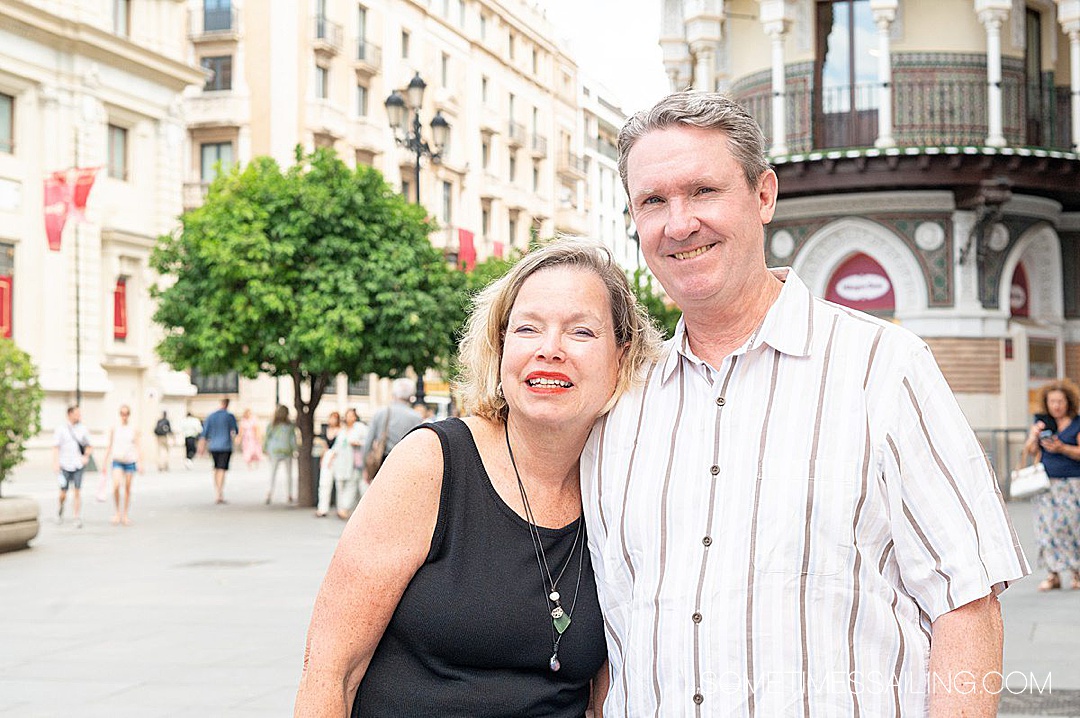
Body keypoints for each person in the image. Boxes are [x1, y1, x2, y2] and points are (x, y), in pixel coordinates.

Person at [582, 92, 1030, 716]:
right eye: (652, 201)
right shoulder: (616, 407)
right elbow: (613, 638)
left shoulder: (884, 368)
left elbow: (968, 606)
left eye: (703, 191)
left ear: (763, 196)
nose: (678, 223)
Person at [295, 240, 662, 717]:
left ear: (622, 355)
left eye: (581, 332)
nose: (550, 350)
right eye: (528, 328)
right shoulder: (432, 463)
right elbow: (330, 673)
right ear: (501, 345)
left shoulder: (625, 484)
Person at [1022, 379, 1080, 591]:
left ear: (1068, 402)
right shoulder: (1043, 423)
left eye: (1060, 401)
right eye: (1052, 401)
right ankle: (1053, 573)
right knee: (1047, 528)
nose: (1056, 406)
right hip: (1046, 483)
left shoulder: (1077, 423)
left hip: (1073, 483)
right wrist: (1033, 435)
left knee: (1073, 528)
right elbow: (1029, 451)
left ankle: (1076, 572)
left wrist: (1062, 448)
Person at [361, 377, 423, 483]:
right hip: (406, 465)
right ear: (410, 396)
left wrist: (365, 467)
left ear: (393, 394)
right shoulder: (416, 417)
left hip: (382, 462)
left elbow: (368, 443)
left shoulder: (380, 413)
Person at [101, 405, 142, 526]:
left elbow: (138, 446)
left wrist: (140, 462)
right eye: (122, 413)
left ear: (129, 414)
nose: (124, 416)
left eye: (126, 413)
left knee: (128, 488)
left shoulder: (133, 429)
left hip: (130, 461)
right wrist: (105, 460)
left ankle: (125, 514)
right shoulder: (115, 428)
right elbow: (110, 445)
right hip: (117, 460)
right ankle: (117, 512)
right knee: (116, 485)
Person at [53, 405, 92, 528]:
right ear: (69, 414)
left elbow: (89, 445)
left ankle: (76, 516)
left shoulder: (83, 429)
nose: (79, 416)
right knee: (63, 493)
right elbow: (55, 447)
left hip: (78, 464)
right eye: (76, 414)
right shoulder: (61, 429)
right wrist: (56, 463)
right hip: (64, 464)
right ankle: (60, 509)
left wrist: (86, 456)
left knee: (77, 491)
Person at [199, 398, 238, 504]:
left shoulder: (211, 416)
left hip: (213, 446)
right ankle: (219, 492)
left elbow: (204, 433)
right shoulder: (229, 416)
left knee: (216, 468)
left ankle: (217, 490)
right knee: (222, 469)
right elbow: (235, 430)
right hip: (225, 446)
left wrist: (201, 447)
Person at [264, 405, 299, 505]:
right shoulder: (289, 425)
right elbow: (293, 439)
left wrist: (265, 448)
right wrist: (295, 449)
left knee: (272, 473)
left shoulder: (272, 425)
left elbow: (267, 438)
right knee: (288, 474)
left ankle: (269, 493)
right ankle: (289, 494)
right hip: (286, 450)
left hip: (275, 451)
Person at [315, 411, 343, 518]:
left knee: (340, 484)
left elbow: (340, 447)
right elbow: (323, 446)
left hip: (338, 458)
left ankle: (341, 509)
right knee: (324, 484)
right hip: (327, 457)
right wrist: (323, 457)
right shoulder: (325, 430)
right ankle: (322, 508)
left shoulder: (341, 431)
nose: (332, 420)